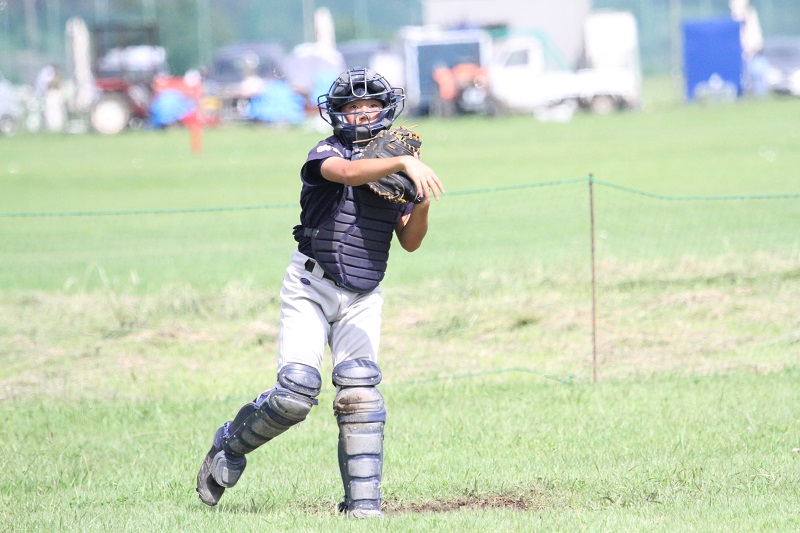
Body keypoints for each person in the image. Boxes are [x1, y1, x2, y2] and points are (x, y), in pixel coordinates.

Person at [195, 67, 445, 518]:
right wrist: (403, 164)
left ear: (387, 109)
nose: (361, 112)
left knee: (361, 394)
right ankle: (228, 445)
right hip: (310, 285)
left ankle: (363, 509)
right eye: (352, 106)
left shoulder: (397, 162)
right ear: (336, 113)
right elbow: (348, 173)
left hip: (363, 295)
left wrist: (421, 199)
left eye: (371, 104)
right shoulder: (326, 152)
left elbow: (410, 241)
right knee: (295, 393)